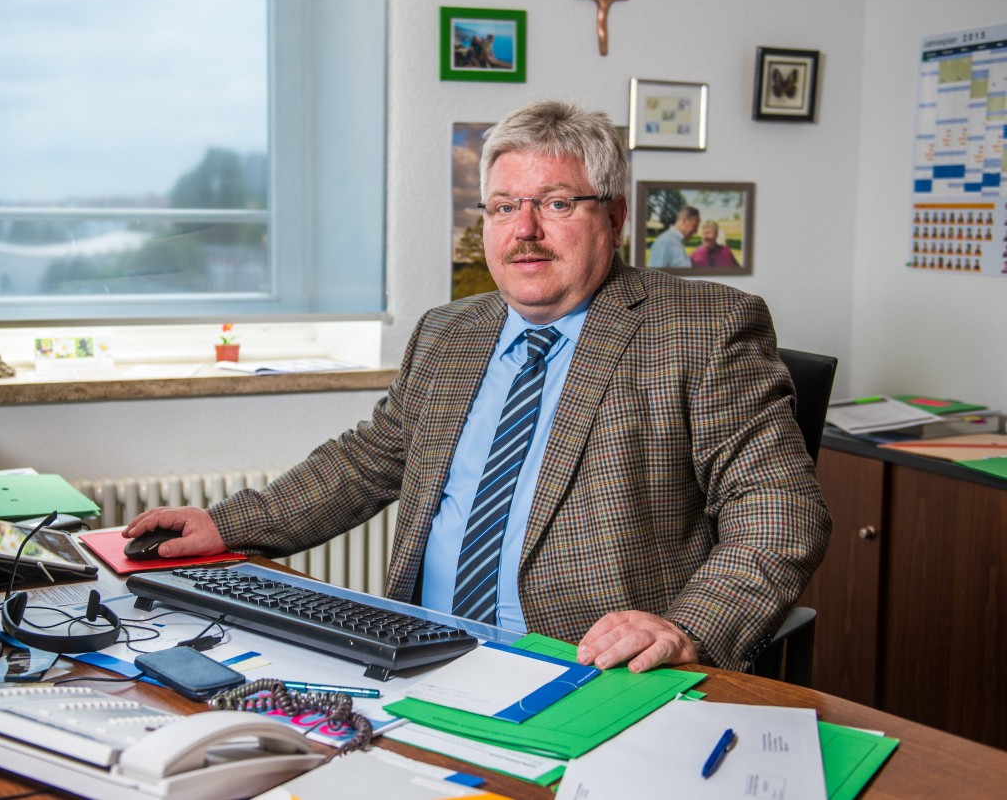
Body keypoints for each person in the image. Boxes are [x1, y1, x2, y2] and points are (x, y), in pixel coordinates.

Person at [124, 100, 829, 673]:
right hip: (419, 649)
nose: (523, 231)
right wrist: (228, 524)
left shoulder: (703, 328)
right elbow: (368, 461)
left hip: (586, 669)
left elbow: (780, 510)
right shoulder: (449, 332)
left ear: (613, 217)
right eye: (502, 207)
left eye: (555, 204)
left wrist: (684, 628)